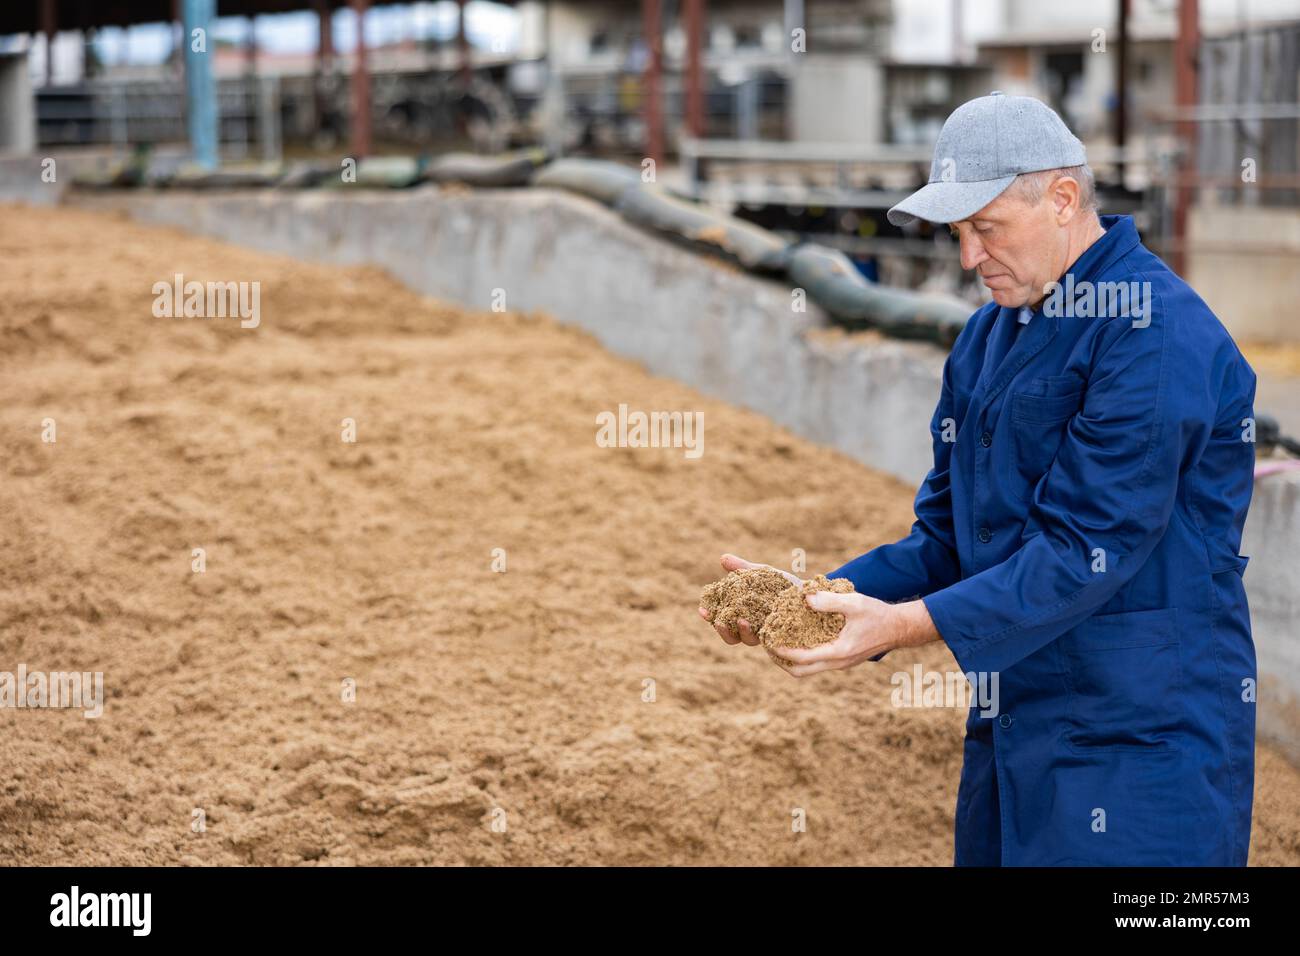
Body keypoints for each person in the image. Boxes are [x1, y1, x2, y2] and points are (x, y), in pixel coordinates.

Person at [700, 92, 1258, 867]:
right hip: (1018, 719)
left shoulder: (1153, 334)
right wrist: (815, 601)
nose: (967, 257)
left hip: (1140, 736)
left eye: (985, 227)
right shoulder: (989, 338)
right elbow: (945, 538)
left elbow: (1083, 547)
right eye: (958, 232)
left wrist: (897, 627)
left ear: (1063, 199)